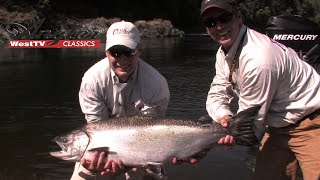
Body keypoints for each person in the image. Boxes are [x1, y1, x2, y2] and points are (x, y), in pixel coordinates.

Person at [200, 0, 320, 180]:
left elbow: (252, 122)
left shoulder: (259, 60)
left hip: (313, 124)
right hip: (278, 126)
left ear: (238, 16)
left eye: (224, 18)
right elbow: (218, 89)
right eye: (211, 22)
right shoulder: (224, 51)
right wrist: (224, 116)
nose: (219, 26)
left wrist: (206, 143)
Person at [70, 21, 170, 180]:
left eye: (128, 51)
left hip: (144, 146)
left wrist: (133, 161)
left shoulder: (156, 83)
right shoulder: (92, 80)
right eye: (116, 52)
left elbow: (152, 130)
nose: (122, 59)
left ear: (139, 51)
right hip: (105, 148)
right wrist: (108, 161)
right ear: (106, 53)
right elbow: (97, 129)